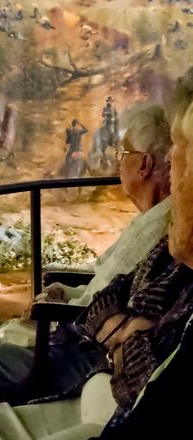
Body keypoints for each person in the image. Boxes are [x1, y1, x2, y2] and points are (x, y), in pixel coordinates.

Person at [0, 103, 188, 440]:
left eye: (122, 152)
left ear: (144, 165)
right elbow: (108, 284)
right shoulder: (151, 221)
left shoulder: (166, 229)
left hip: (82, 350)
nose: (116, 161)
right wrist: (67, 292)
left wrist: (64, 304)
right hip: (86, 336)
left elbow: (111, 302)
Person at [96, 67, 193, 437]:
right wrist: (124, 327)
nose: (172, 169)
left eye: (182, 153)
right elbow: (111, 292)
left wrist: (125, 336)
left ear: (143, 165)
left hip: (87, 368)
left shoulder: (162, 231)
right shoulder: (164, 238)